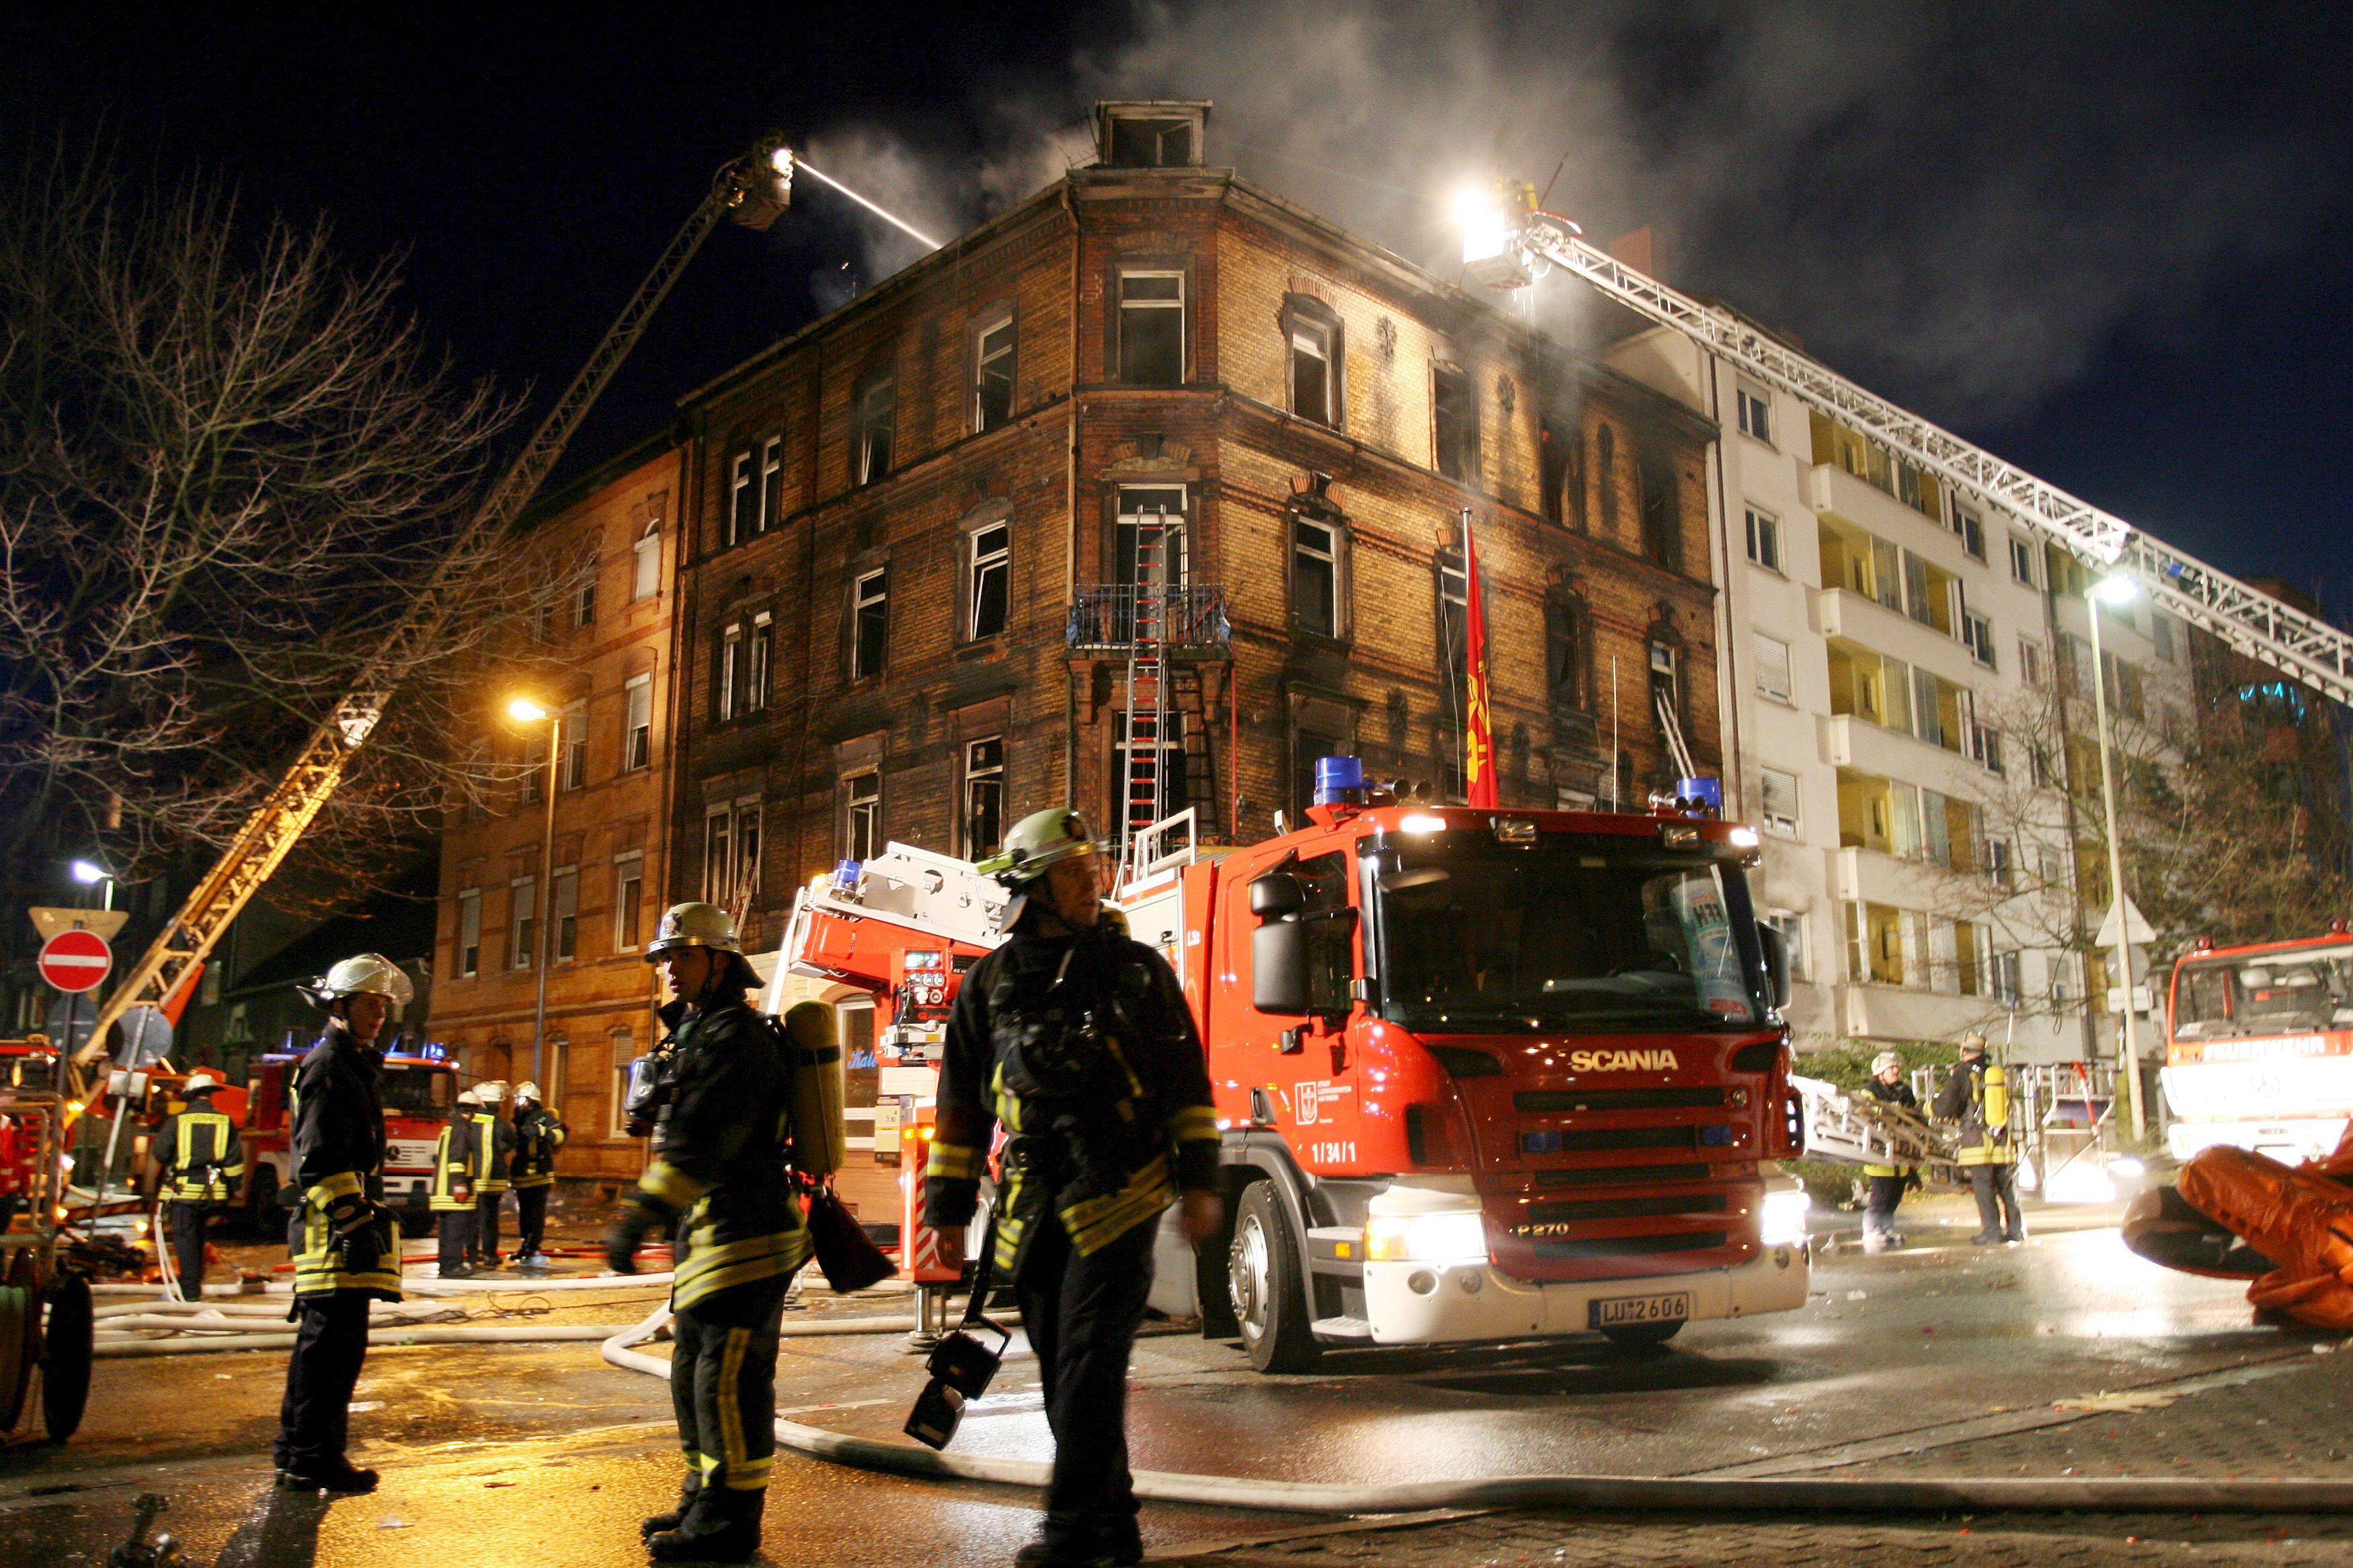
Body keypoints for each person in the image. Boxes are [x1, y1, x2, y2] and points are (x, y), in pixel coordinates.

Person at [926, 808, 1224, 1568]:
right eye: (1072, 873)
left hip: (1119, 1188)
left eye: (1093, 870)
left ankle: (1067, 1532)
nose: (1092, 884)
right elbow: (958, 1101)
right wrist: (947, 1210)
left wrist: (1200, 1182)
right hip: (1028, 1201)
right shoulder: (988, 981)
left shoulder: (1135, 972)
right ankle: (1111, 1522)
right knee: (1065, 1366)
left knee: (1089, 1359)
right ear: (1032, 886)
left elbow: (1188, 1082)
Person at [604, 902, 812, 1564]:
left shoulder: (738, 1040)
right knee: (693, 1371)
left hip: (747, 1233)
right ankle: (703, 1494)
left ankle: (729, 1519)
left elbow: (700, 1145)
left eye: (682, 955)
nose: (667, 968)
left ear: (720, 961)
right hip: (711, 1232)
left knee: (726, 1381)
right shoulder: (695, 1032)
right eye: (663, 956)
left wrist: (638, 1215)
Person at [274, 953, 411, 1494]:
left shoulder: (348, 1062)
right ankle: (313, 1456)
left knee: (326, 1348)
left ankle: (298, 1454)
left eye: (384, 1004)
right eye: (370, 1004)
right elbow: (320, 1157)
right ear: (340, 1005)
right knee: (331, 1351)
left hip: (337, 1228)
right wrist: (354, 1221)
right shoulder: (331, 1066)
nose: (379, 1014)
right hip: (332, 1231)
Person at [151, 1069, 243, 1300]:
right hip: (213, 1194)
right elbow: (234, 1162)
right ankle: (195, 1284)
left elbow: (161, 1153)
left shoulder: (178, 1122)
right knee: (201, 1238)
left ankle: (190, 1292)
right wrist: (232, 1190)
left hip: (184, 1193)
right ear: (210, 1095)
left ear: (189, 1096)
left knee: (186, 1241)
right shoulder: (225, 1122)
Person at [1936, 1030, 2026, 1245]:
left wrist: (1932, 1107)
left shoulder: (1963, 1073)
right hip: (2001, 1141)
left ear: (1965, 1051)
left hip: (1977, 1142)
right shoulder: (1994, 1072)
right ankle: (2016, 1231)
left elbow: (1945, 1107)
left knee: (1984, 1190)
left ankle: (1992, 1232)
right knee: (2007, 1189)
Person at [1858, 1051, 1918, 1254]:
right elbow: (1864, 1117)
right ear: (1881, 1072)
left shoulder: (1905, 1092)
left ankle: (1886, 1229)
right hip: (1880, 1156)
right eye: (1892, 1068)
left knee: (1894, 1197)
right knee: (1880, 1197)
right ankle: (1872, 1230)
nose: (1897, 1070)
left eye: (1897, 1067)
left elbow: (1917, 1119)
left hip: (1901, 1158)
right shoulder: (1870, 1091)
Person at [510, 1081, 566, 1267]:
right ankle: (525, 1245)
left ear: (531, 1100)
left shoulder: (544, 1117)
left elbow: (560, 1137)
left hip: (541, 1172)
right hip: (522, 1172)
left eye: (521, 1099)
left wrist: (543, 1132)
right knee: (524, 1213)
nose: (517, 1103)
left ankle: (534, 1248)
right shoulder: (518, 1119)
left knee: (536, 1213)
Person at [429, 1088, 479, 1279]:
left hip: (442, 1191)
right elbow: (457, 1159)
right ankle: (453, 1266)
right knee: (455, 1233)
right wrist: (460, 1186)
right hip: (453, 1193)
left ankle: (446, 1264)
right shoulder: (462, 1129)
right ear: (470, 1111)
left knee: (446, 1231)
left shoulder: (449, 1128)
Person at [467, 1081, 516, 1270]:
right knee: (490, 1220)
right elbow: (509, 1144)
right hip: (494, 1180)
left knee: (472, 1218)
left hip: (472, 1179)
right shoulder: (501, 1123)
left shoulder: (470, 1122)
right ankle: (489, 1254)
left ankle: (472, 1254)